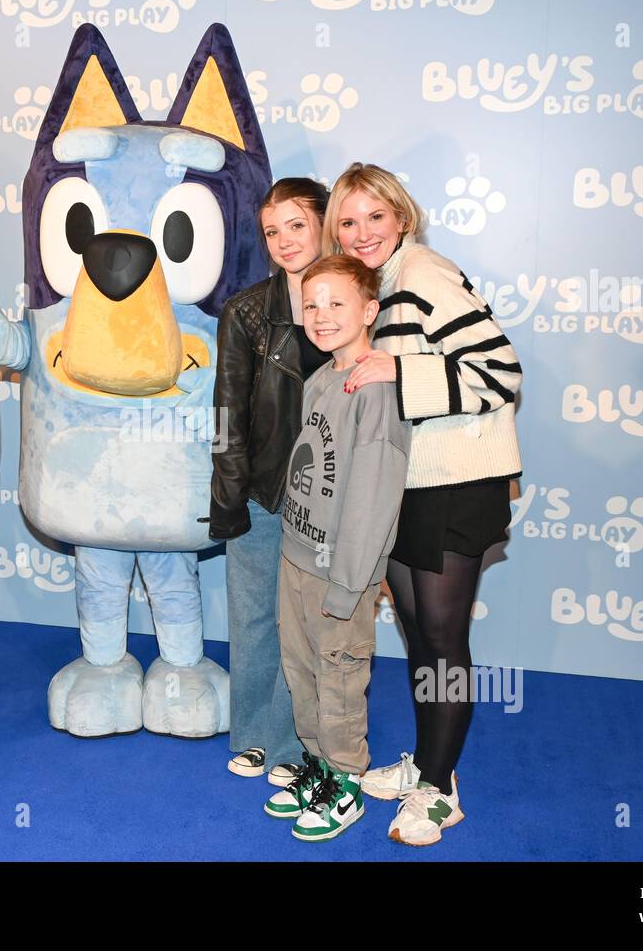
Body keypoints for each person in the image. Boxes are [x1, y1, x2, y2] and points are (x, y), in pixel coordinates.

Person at [333, 163, 523, 846]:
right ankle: (429, 765)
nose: (361, 234)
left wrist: (398, 370)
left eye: (374, 218)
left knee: (442, 642)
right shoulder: (383, 284)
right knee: (421, 635)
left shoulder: (424, 274)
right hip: (416, 482)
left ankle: (440, 791)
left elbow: (501, 373)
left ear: (402, 219)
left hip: (458, 482)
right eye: (347, 222)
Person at [264, 254, 411, 842]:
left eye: (337, 303)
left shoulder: (376, 392)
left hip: (340, 573)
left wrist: (352, 582)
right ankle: (320, 764)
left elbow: (374, 496)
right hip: (296, 555)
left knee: (340, 674)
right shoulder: (321, 378)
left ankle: (347, 779)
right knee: (301, 670)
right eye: (312, 304)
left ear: (370, 311)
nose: (320, 316)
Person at [212, 178, 329, 786]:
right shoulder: (247, 311)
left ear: (324, 225)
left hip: (330, 500)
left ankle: (297, 743)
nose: (283, 240)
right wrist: (227, 498)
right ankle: (255, 737)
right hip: (261, 492)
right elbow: (226, 416)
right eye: (271, 231)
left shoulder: (361, 304)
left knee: (310, 624)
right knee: (254, 617)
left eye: (296, 225)